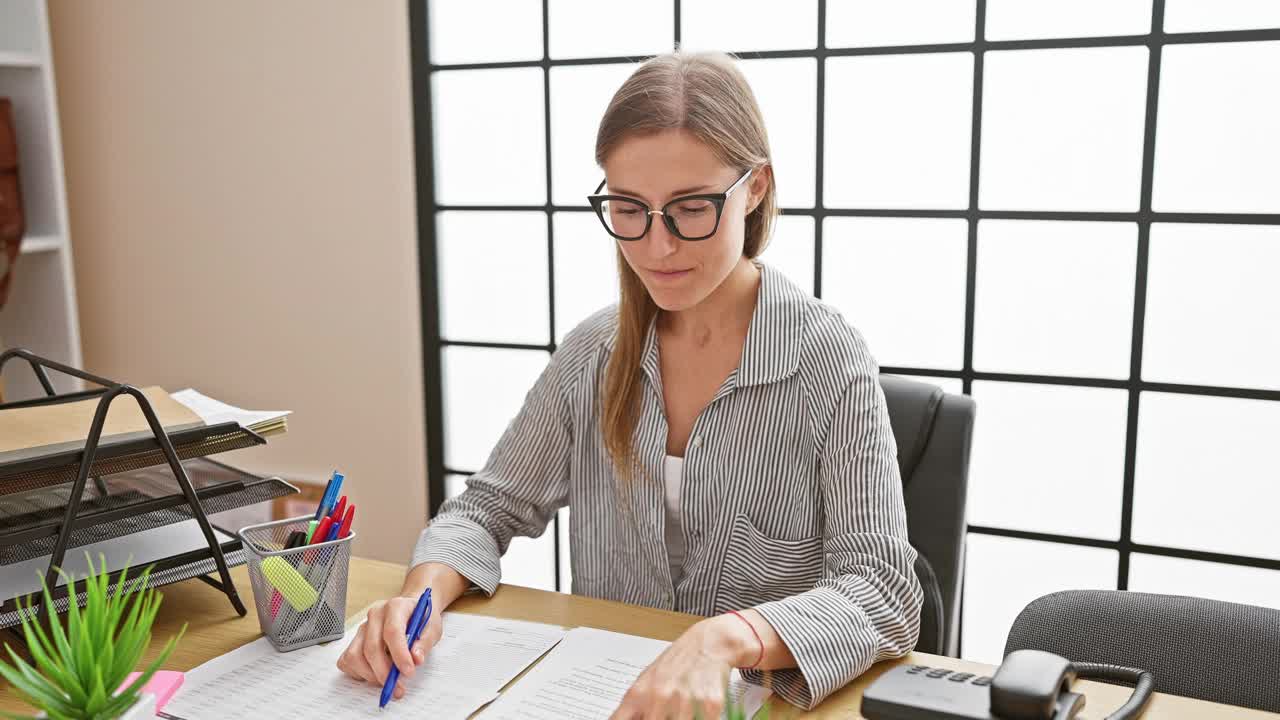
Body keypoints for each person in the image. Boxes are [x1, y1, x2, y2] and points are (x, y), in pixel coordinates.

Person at [337, 50, 922, 717]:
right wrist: (420, 596)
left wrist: (727, 639)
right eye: (628, 208)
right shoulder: (593, 353)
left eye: (691, 208)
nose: (657, 247)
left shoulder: (826, 359)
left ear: (755, 187)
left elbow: (882, 590)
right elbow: (484, 511)